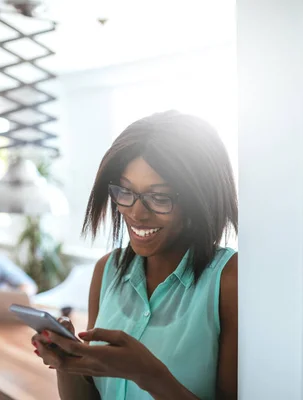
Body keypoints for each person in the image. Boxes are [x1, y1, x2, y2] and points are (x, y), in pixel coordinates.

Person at [32, 110, 238, 399]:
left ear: (199, 199)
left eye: (159, 197)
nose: (136, 213)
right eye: (125, 192)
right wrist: (67, 361)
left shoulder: (229, 280)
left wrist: (148, 374)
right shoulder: (107, 271)